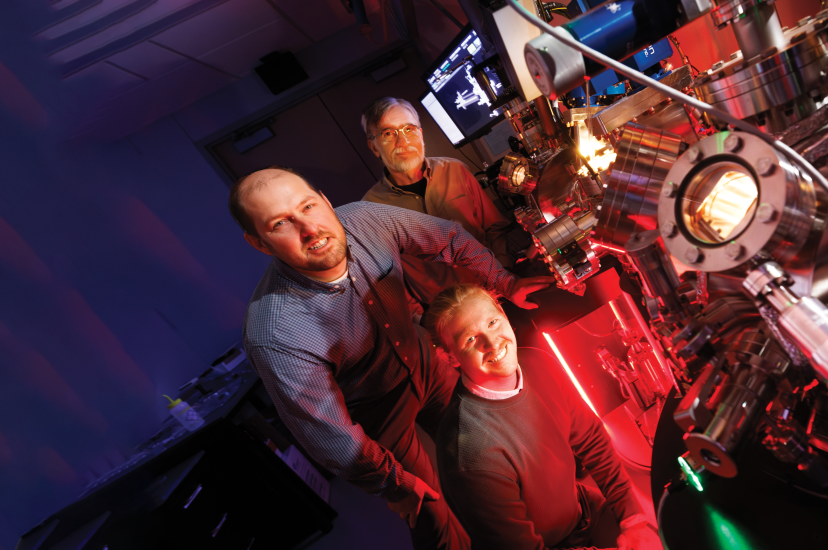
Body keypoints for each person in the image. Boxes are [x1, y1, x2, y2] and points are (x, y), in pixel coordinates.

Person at [229, 166, 555, 550]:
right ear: (259, 244)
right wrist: (392, 484)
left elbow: (446, 237)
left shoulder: (364, 218)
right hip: (374, 408)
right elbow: (327, 432)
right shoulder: (274, 329)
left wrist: (506, 283)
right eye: (281, 223)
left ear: (326, 201)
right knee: (431, 510)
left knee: (492, 449)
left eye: (308, 207)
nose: (309, 229)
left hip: (425, 362)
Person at [425, 284, 661, 550]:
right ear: (449, 356)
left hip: (584, 511)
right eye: (470, 339)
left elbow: (592, 440)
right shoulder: (468, 452)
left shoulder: (538, 362)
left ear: (503, 313)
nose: (492, 343)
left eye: (492, 322)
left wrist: (633, 519)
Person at [361, 97, 514, 316]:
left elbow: (495, 227)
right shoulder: (370, 210)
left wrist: (505, 270)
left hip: (497, 292)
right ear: (373, 146)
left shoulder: (456, 170)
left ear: (420, 134)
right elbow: (390, 279)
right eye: (388, 133)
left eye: (408, 129)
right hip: (446, 317)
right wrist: (423, 320)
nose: (402, 141)